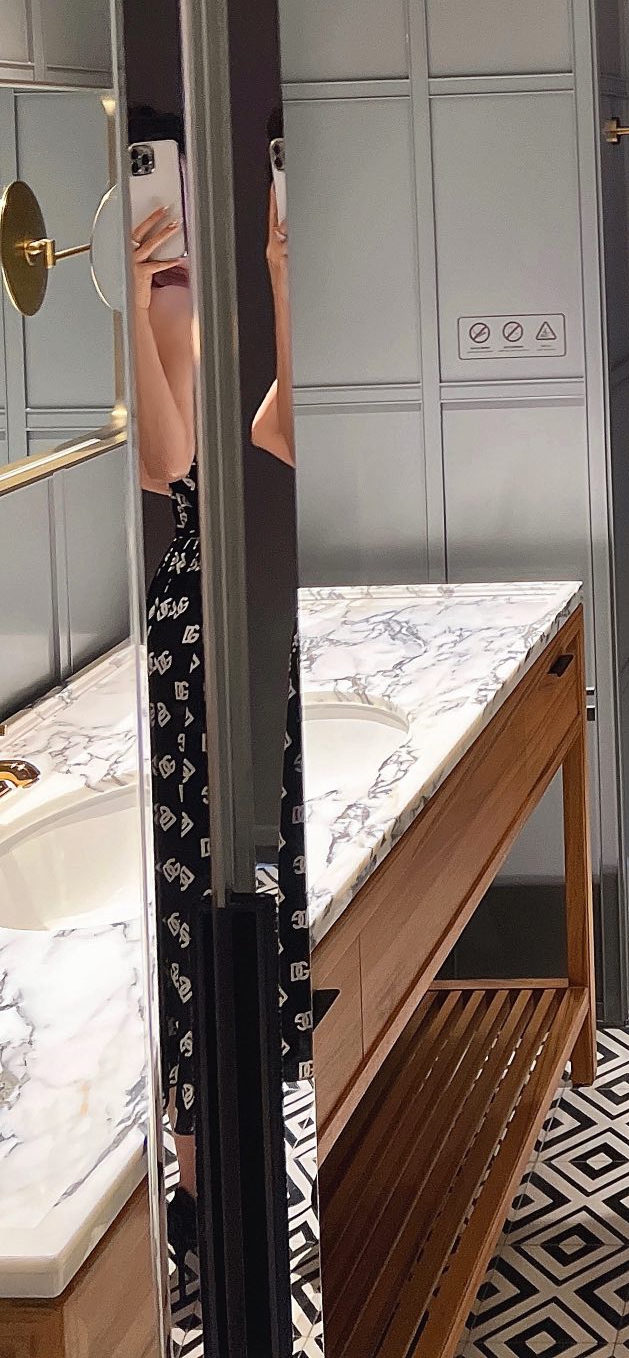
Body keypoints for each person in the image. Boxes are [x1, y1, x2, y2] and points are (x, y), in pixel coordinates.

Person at [128, 102, 312, 1302]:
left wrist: (283, 278)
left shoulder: (257, 281)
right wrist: (138, 305)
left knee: (249, 886)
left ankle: (228, 1161)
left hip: (263, 618)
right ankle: (200, 1178)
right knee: (190, 889)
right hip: (194, 622)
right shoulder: (173, 299)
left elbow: (278, 434)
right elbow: (168, 463)